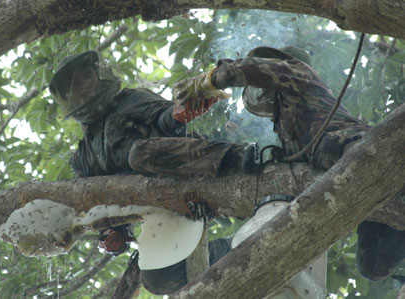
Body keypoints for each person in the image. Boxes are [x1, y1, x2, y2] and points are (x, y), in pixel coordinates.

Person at [175, 45, 405, 282]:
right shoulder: (284, 124)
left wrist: (208, 81)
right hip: (353, 183)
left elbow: (254, 70)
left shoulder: (300, 75)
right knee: (373, 267)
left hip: (361, 153)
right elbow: (290, 161)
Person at [48, 50, 258, 294]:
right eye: (78, 82)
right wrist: (111, 234)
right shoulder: (84, 157)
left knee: (138, 154)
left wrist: (181, 113)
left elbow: (163, 117)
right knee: (157, 279)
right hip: (160, 209)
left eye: (88, 76)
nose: (86, 83)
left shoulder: (129, 99)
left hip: (189, 172)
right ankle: (238, 246)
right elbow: (99, 203)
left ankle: (234, 156)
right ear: (69, 97)